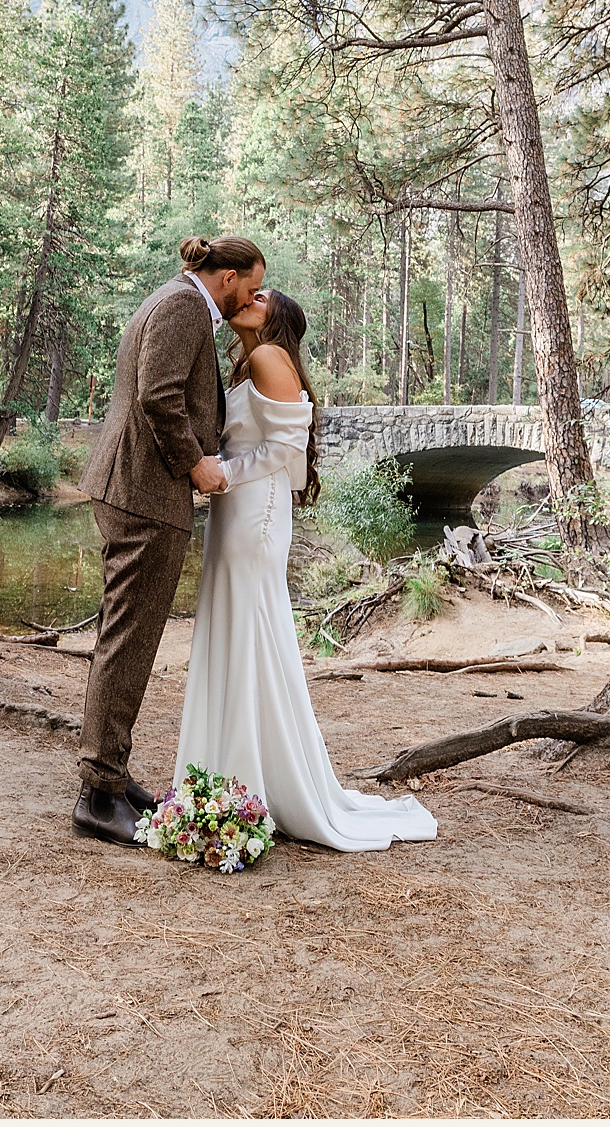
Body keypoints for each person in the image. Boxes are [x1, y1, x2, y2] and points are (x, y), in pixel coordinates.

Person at [177, 287, 436, 851]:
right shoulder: (245, 360)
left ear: (279, 318)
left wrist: (224, 471)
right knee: (234, 626)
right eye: (248, 291)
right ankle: (227, 778)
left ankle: (251, 784)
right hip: (235, 506)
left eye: (262, 296)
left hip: (254, 509)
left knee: (250, 629)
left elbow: (289, 451)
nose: (248, 297)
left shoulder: (270, 357)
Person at [72, 234, 264, 844]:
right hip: (143, 493)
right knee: (128, 638)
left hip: (137, 490)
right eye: (252, 286)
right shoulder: (184, 306)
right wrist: (196, 465)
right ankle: (98, 794)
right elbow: (158, 396)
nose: (254, 298)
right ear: (227, 276)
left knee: (126, 633)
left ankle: (111, 772)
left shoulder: (181, 303)